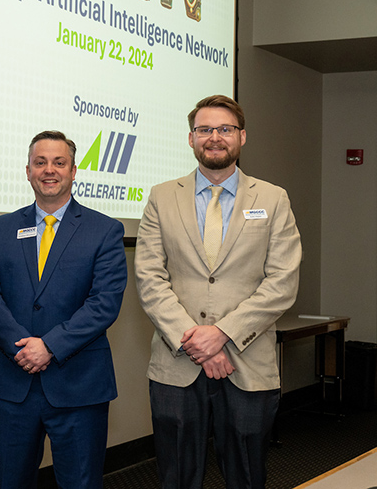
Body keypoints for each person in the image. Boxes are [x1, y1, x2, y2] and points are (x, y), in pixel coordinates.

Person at [135, 94, 301, 489]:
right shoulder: (161, 197)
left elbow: (282, 281)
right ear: (191, 139)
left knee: (246, 475)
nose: (214, 137)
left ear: (242, 137)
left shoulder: (273, 199)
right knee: (176, 476)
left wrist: (221, 334)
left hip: (248, 363)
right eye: (204, 129)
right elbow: (149, 277)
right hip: (177, 364)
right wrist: (195, 341)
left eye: (224, 129)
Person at [0, 131, 128, 489]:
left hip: (79, 386)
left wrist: (48, 346)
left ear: (74, 171)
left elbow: (104, 303)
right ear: (27, 171)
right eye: (40, 162)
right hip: (15, 384)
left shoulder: (105, 230)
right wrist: (23, 346)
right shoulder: (2, 228)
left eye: (59, 162)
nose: (50, 170)